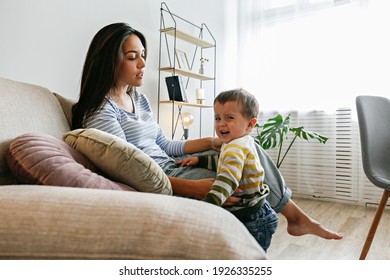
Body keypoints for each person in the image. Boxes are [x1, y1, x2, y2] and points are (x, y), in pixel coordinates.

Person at [71, 22, 343, 241]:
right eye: (133, 57)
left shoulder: (138, 100)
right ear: (109, 62)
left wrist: (211, 143)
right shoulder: (100, 111)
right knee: (240, 188)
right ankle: (270, 233)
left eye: (143, 55)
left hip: (172, 163)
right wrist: (191, 187)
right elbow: (127, 170)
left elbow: (164, 144)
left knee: (244, 144)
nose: (143, 64)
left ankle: (295, 217)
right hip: (164, 175)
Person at [176, 89, 278, 251]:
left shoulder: (234, 148)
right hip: (257, 210)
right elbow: (224, 162)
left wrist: (208, 205)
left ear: (250, 125)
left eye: (229, 118)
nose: (221, 123)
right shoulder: (241, 142)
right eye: (217, 118)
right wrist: (200, 160)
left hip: (250, 219)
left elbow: (228, 179)